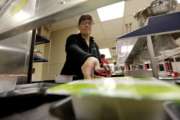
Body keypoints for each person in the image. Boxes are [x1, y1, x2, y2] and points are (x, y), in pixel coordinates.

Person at [60, 14, 101, 80]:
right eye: (83, 23)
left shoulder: (95, 45)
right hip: (68, 78)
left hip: (86, 79)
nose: (87, 25)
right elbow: (72, 48)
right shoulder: (73, 38)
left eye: (89, 23)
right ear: (79, 27)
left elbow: (98, 61)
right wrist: (88, 58)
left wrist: (103, 67)